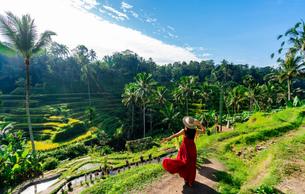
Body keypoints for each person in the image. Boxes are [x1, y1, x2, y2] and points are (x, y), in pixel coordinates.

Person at [161, 116, 205, 187]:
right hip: (192, 148)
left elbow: (175, 135)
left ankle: (186, 179)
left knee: (184, 163)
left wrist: (166, 139)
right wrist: (200, 124)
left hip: (184, 149)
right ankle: (190, 181)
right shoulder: (195, 130)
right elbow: (203, 131)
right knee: (192, 165)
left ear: (186, 124)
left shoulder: (184, 131)